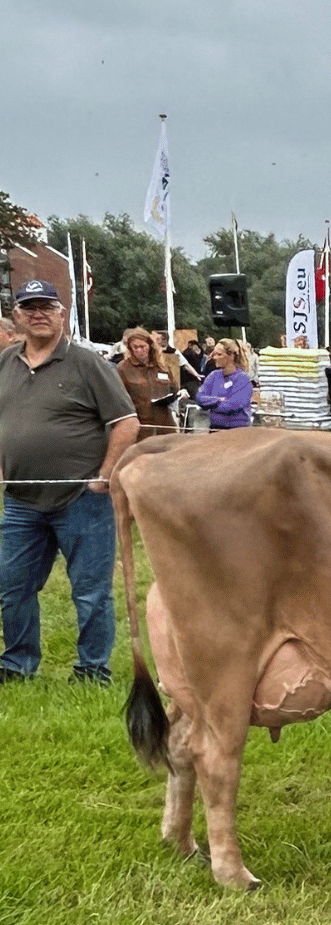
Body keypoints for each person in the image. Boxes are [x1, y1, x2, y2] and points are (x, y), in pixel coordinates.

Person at [0, 280, 139, 686]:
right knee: (12, 588)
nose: (39, 314)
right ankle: (16, 664)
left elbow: (126, 423)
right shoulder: (5, 364)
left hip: (82, 499)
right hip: (21, 502)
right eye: (30, 307)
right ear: (18, 317)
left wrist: (104, 476)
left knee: (91, 593)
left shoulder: (88, 363)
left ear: (62, 315)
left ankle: (93, 670)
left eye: (47, 307)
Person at [115, 327, 182, 437]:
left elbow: (174, 388)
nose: (139, 350)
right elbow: (117, 399)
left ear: (150, 346)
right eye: (135, 347)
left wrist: (176, 393)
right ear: (130, 348)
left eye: (142, 347)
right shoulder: (123, 368)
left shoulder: (161, 366)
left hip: (165, 425)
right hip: (140, 427)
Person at [195, 338, 254, 430]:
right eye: (214, 354)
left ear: (231, 356)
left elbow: (234, 405)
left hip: (237, 430)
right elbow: (199, 397)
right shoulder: (213, 375)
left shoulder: (242, 379)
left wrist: (211, 405)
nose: (214, 357)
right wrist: (218, 400)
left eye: (219, 354)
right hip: (215, 428)